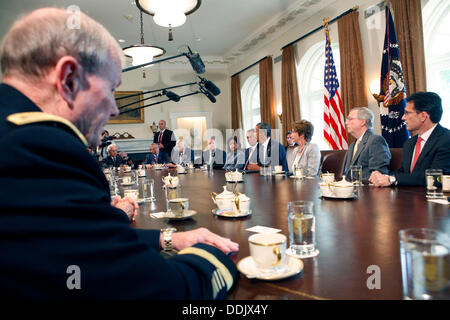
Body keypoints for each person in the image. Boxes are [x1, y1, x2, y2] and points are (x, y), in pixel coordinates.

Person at [0, 8, 238, 299]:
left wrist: (168, 237)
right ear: (69, 78)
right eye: (112, 89)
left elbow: (76, 243)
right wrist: (215, 257)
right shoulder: (39, 147)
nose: (114, 108)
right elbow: (156, 290)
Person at [370, 92, 450, 187]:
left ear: (423, 116)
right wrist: (383, 177)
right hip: (408, 197)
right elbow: (403, 172)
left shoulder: (446, 140)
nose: (403, 118)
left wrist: (391, 179)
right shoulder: (410, 143)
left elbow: (435, 177)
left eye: (407, 113)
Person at [343, 107, 391, 182]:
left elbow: (378, 174)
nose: (346, 123)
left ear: (362, 122)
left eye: (350, 119)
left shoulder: (375, 140)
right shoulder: (353, 145)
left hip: (367, 190)